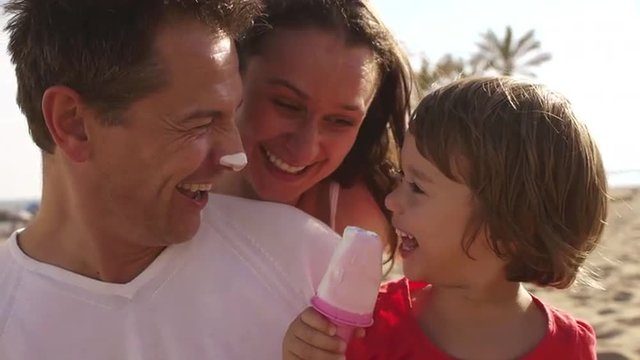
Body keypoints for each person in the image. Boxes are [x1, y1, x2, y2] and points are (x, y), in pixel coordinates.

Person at [0, 1, 266, 359]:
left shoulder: (305, 270)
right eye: (200, 122)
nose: (237, 156)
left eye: (232, 115)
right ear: (73, 123)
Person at [282, 77, 608, 360]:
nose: (392, 200)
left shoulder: (570, 347)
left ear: (512, 226)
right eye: (400, 178)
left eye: (418, 187)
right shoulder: (370, 324)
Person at [214, 0, 413, 251]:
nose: (304, 150)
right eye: (287, 105)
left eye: (340, 121)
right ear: (232, 75)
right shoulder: (167, 173)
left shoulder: (354, 227)